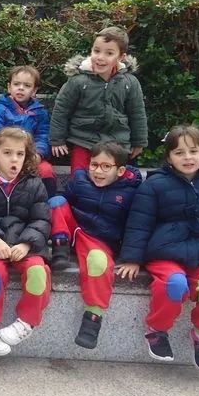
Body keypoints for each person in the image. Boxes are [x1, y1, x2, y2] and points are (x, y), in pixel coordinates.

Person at [118, 125, 199, 371]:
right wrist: (132, 258)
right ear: (169, 158)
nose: (187, 157)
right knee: (174, 284)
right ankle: (157, 330)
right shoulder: (154, 185)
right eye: (179, 152)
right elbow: (139, 223)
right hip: (165, 251)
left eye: (193, 151)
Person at [47, 141, 142, 349]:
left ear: (120, 170)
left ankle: (93, 317)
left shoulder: (131, 192)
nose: (98, 171)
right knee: (56, 202)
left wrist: (132, 256)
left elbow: (136, 225)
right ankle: (60, 249)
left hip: (99, 240)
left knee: (99, 264)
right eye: (94, 165)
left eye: (106, 166)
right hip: (73, 232)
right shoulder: (80, 180)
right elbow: (65, 203)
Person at [0, 127, 52, 354]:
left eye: (20, 154)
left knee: (38, 271)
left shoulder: (34, 183)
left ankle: (26, 322)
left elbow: (42, 219)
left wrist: (27, 244)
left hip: (25, 243)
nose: (14, 159)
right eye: (7, 153)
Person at [50, 26, 147, 172]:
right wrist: (57, 140)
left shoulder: (129, 82)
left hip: (117, 142)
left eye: (109, 53)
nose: (100, 57)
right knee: (80, 177)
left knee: (113, 177)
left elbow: (137, 113)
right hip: (83, 141)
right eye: (96, 51)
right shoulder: (79, 81)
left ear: (121, 57)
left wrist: (138, 141)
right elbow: (61, 110)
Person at [0, 66, 57, 197]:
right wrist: (8, 155)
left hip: (31, 156)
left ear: (34, 91)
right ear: (9, 87)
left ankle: (47, 204)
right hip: (5, 155)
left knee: (46, 170)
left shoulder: (40, 112)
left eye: (27, 85)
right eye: (16, 84)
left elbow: (43, 136)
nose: (21, 88)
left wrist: (38, 154)